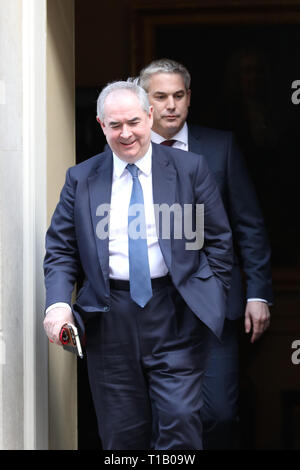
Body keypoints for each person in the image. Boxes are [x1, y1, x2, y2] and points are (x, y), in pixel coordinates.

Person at [43, 81, 233, 450]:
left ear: (149, 117)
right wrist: (58, 304)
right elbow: (61, 250)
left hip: (176, 313)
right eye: (115, 125)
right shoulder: (81, 178)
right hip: (108, 317)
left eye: (133, 121)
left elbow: (219, 241)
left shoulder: (190, 169)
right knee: (122, 437)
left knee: (180, 425)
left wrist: (211, 293)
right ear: (101, 125)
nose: (126, 133)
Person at [138, 58, 273, 449]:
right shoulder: (127, 152)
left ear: (189, 98)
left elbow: (249, 224)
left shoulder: (220, 147)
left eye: (178, 96)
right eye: (160, 97)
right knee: (157, 417)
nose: (171, 106)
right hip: (150, 308)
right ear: (144, 102)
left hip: (215, 305)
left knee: (217, 414)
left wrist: (258, 293)